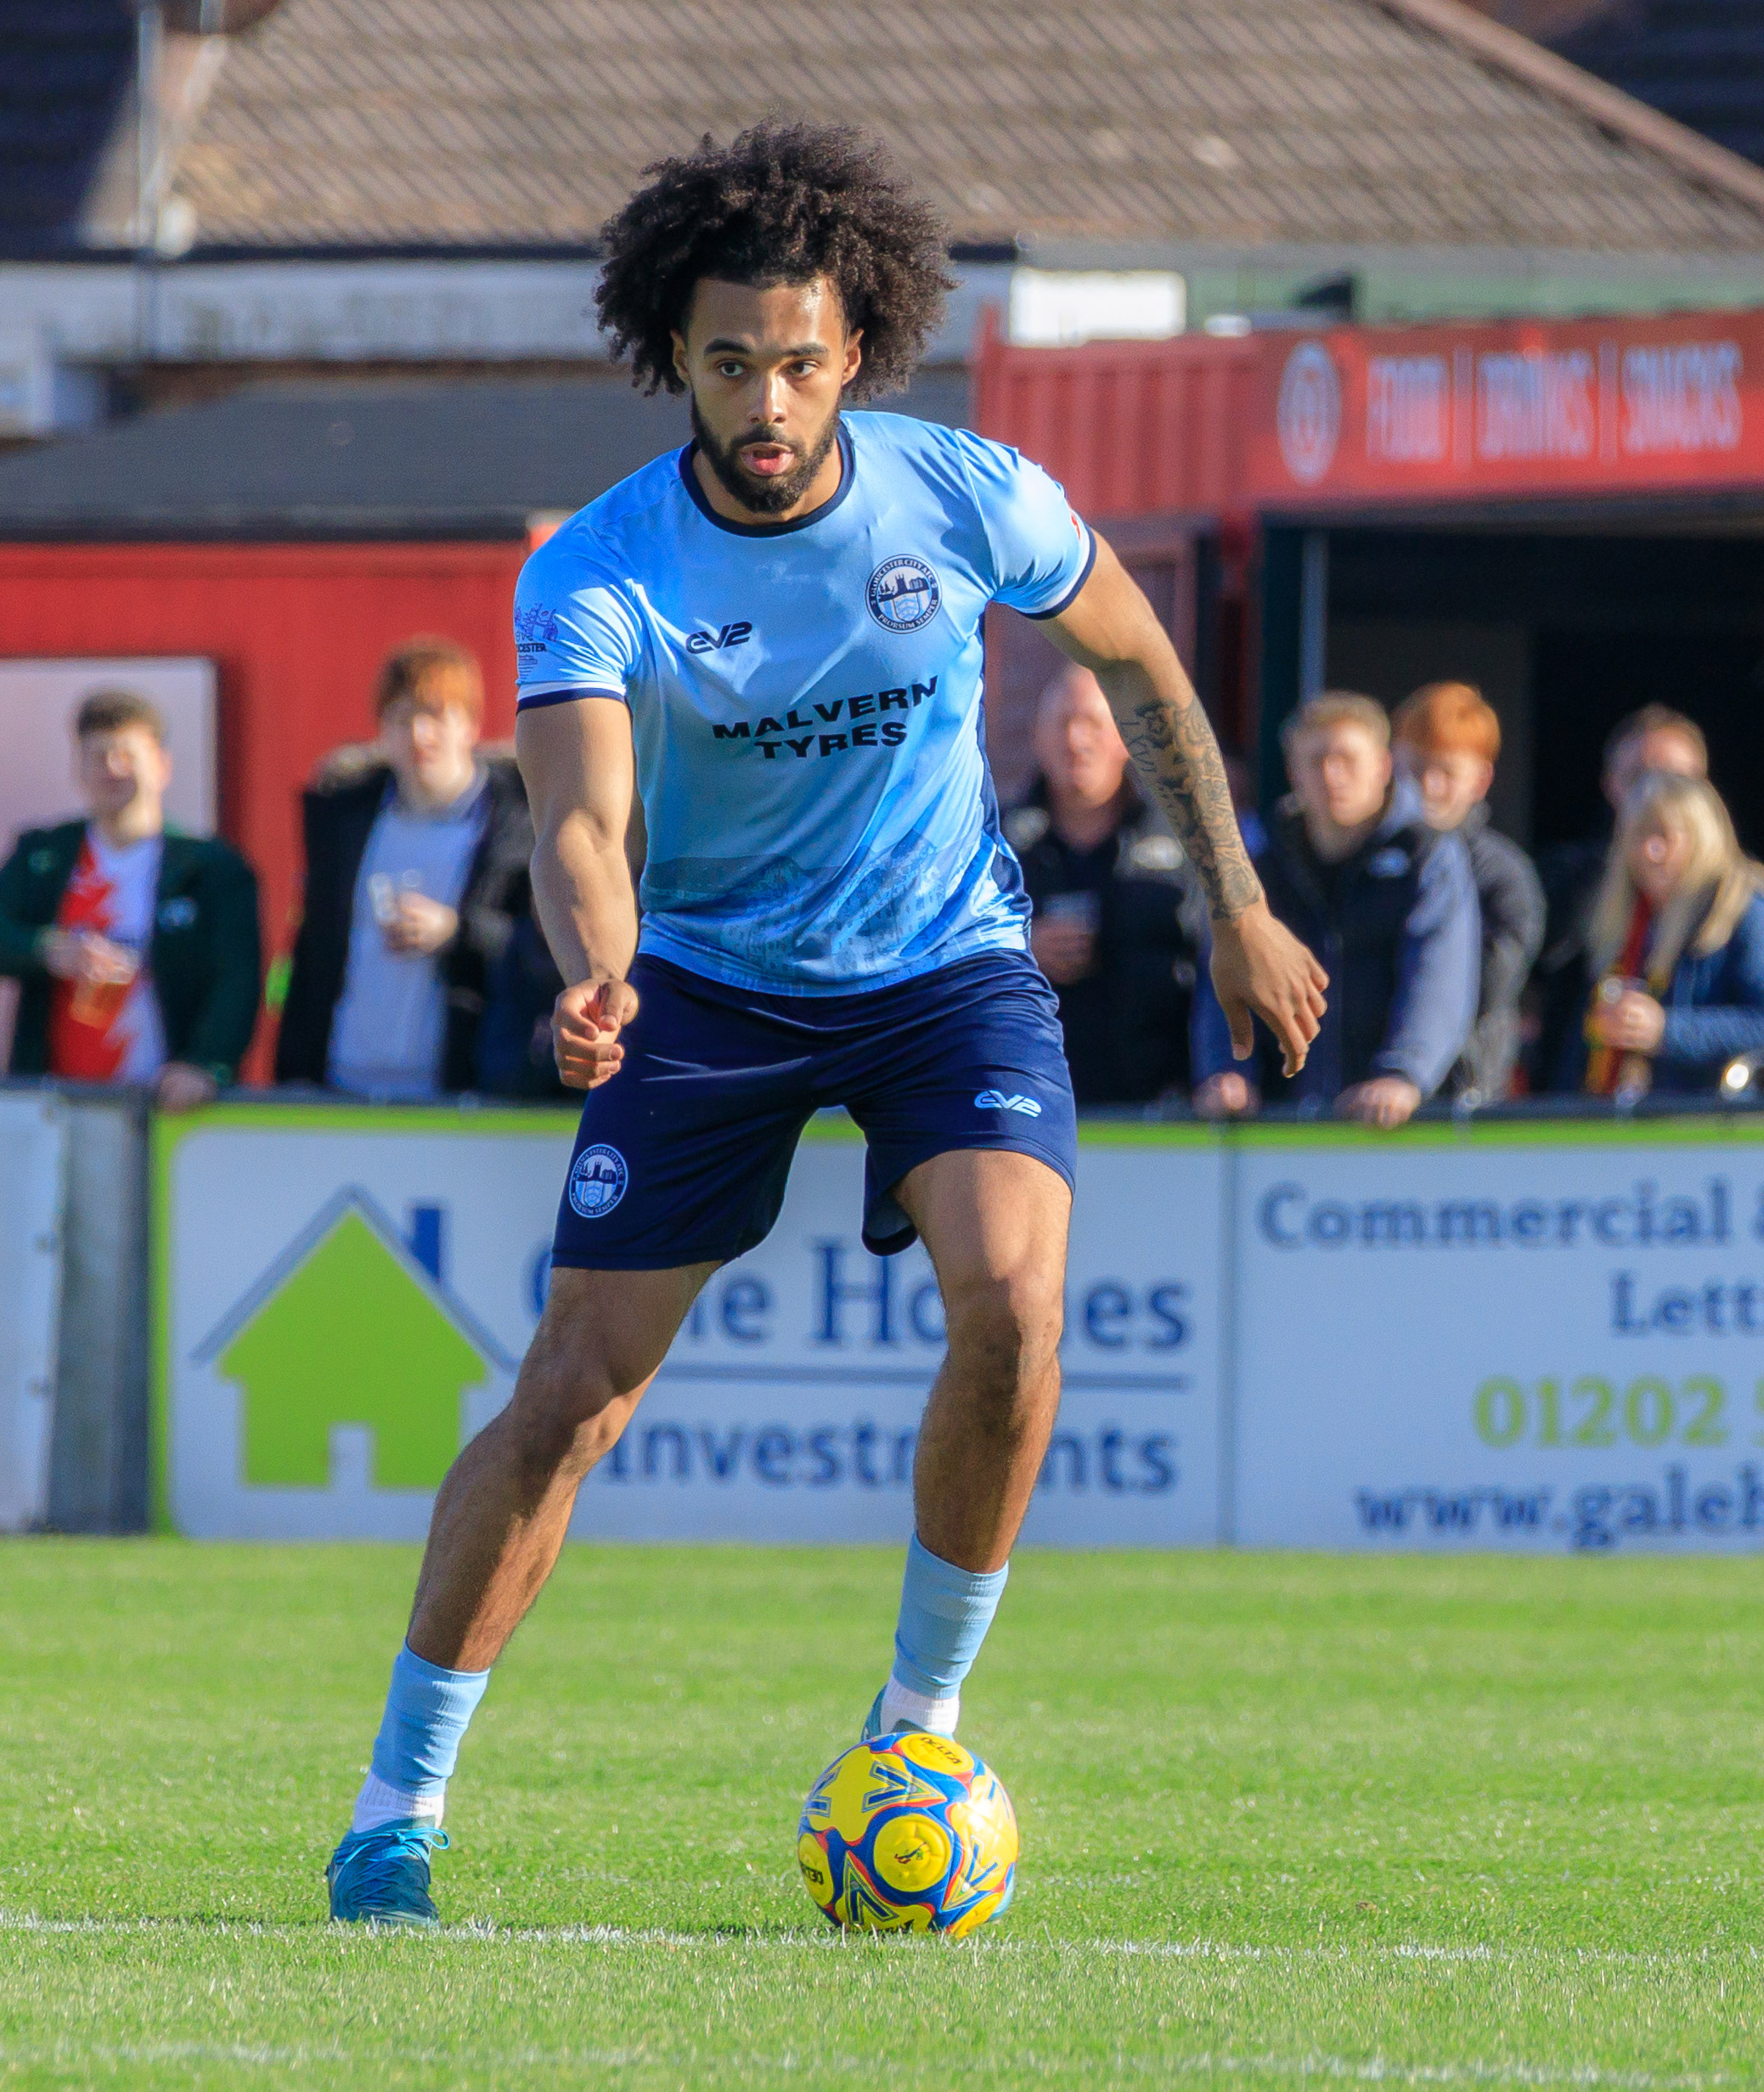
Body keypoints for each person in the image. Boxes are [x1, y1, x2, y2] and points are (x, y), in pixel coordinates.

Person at [322, 121, 1324, 1926]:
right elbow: (574, 817)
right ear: (672, 360)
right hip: (702, 983)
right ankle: (400, 1803)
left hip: (944, 965)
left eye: (796, 358)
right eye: (728, 363)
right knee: (569, 1402)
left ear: (854, 342)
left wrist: (1239, 899)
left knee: (1016, 1312)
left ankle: (916, 1727)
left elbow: (1138, 662)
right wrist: (595, 966)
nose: (766, 398)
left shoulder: (964, 494)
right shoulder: (599, 568)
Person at [0, 688, 261, 1111]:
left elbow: (239, 978)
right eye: (97, 757)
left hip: (168, 1105)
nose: (112, 770)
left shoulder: (211, 867)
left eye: (127, 756)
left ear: (162, 768)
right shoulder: (45, 855)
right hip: (58, 1103)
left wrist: (206, 1063)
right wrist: (46, 948)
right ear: (77, 770)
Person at [276, 641, 551, 1101]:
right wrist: (295, 1073)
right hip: (342, 1081)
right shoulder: (344, 819)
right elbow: (312, 950)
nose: (419, 734)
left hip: (463, 1086)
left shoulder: (522, 820)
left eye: (436, 715)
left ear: (470, 724)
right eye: (402, 719)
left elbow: (545, 950)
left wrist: (458, 933)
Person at [1189, 691, 1474, 1129]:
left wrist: (1402, 1073)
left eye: (1347, 759)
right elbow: (1226, 982)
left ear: (1383, 767)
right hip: (1283, 1125)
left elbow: (1440, 975)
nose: (1331, 775)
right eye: (1316, 760)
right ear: (1292, 773)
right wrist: (1228, 1074)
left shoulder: (1428, 856)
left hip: (1405, 1124)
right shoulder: (1258, 867)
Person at [1005, 668, 1200, 1107]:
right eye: (1061, 724)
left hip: (1163, 1112)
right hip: (1026, 1108)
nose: (1075, 740)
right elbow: (946, 956)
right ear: (1037, 738)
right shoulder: (995, 844)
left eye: (1091, 723)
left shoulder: (1184, 845)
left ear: (1124, 738)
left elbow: (1212, 963)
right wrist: (1020, 948)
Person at [1578, 772, 1764, 1097]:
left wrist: (1667, 1031)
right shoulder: (1626, 914)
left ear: (1702, 837)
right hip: (1635, 1124)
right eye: (1638, 836)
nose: (1650, 851)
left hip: (1718, 1124)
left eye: (1665, 836)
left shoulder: (1746, 906)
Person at [1530, 704, 1709, 1094]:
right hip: (1577, 1109)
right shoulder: (1569, 879)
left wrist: (1666, 1029)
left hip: (1691, 1120)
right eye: (1638, 778)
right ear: (1610, 785)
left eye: (1674, 780)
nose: (1654, 795)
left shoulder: (1731, 897)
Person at [1392, 683, 1541, 1106]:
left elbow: (1485, 991)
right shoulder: (1370, 860)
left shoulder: (1504, 875)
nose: (1427, 786)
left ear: (1481, 780)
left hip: (1464, 1091)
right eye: (1415, 767)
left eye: (1446, 772)